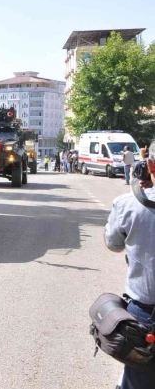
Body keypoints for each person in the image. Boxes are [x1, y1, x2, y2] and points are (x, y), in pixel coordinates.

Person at [104, 140, 155, 389]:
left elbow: (113, 244)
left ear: (151, 165)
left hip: (146, 314)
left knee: (137, 381)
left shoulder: (128, 203)